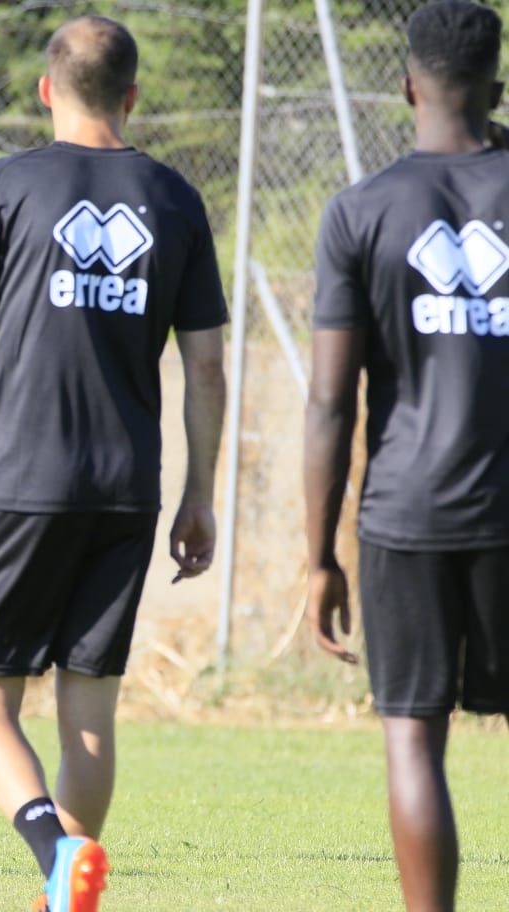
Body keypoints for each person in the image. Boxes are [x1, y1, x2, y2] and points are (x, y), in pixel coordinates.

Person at [0, 15, 227, 911]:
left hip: (23, 484)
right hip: (126, 489)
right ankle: (64, 889)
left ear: (44, 91)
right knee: (91, 714)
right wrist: (199, 496)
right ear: (134, 96)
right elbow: (209, 365)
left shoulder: (2, 186)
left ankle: (51, 854)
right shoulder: (176, 197)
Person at [304, 3, 508, 910]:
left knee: (413, 739)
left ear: (406, 87)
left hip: (405, 517)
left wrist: (318, 556)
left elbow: (326, 404)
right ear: (497, 89)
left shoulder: (361, 210)